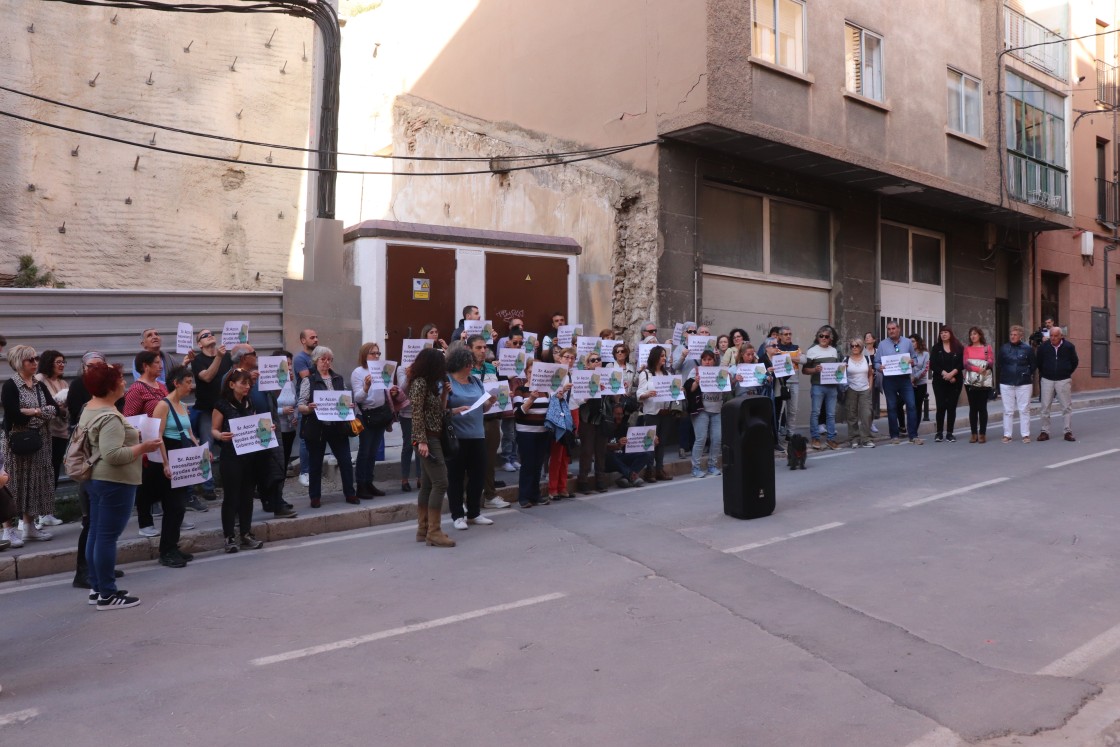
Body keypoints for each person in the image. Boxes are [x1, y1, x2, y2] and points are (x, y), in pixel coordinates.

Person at [81, 363, 163, 609]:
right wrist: (143, 447)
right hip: (114, 482)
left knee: (96, 534)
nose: (124, 382)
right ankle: (107, 594)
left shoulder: (91, 408)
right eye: (120, 378)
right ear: (111, 385)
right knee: (106, 537)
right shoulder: (109, 416)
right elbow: (113, 454)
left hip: (97, 480)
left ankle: (97, 589)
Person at [1, 345, 58, 546]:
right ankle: (8, 530)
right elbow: (15, 416)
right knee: (12, 484)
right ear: (19, 363)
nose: (35, 363)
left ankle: (29, 526)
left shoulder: (39, 385)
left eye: (36, 358)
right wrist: (40, 412)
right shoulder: (10, 386)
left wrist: (31, 411)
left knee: (36, 483)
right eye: (30, 360)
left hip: (40, 440)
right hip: (17, 442)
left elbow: (55, 409)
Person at [211, 369, 266, 552]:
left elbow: (255, 424)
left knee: (247, 496)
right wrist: (221, 436)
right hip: (231, 456)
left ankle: (246, 533)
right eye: (243, 383)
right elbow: (214, 429)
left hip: (249, 456)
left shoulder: (249, 402)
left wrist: (267, 428)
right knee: (231, 498)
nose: (247, 387)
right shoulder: (222, 405)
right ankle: (229, 537)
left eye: (249, 384)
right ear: (232, 384)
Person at [297, 346, 358, 508]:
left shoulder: (338, 378)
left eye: (329, 359)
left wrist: (349, 405)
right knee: (315, 463)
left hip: (337, 427)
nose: (326, 362)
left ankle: (350, 493)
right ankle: (315, 497)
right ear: (316, 361)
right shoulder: (308, 380)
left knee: (345, 461)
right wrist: (309, 408)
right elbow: (300, 406)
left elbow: (345, 399)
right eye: (323, 359)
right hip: (317, 428)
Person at [151, 366, 199, 568]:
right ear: (176, 383)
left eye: (191, 381)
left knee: (180, 506)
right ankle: (166, 551)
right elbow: (157, 435)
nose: (191, 386)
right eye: (187, 382)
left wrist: (200, 450)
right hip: (170, 457)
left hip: (184, 457)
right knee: (173, 506)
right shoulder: (163, 405)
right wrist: (165, 463)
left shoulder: (182, 405)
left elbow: (189, 432)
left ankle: (173, 546)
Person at [445, 347, 498, 531]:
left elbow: (482, 409)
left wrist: (490, 403)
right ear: (458, 364)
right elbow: (440, 408)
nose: (471, 367)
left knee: (478, 475)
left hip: (477, 434)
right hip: (457, 436)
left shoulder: (475, 381)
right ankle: (458, 514)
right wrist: (453, 410)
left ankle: (474, 512)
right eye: (468, 364)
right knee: (456, 477)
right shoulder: (448, 381)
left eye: (471, 363)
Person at [408, 347, 456, 547]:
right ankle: (434, 532)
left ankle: (424, 529)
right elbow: (417, 413)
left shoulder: (429, 385)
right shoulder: (419, 383)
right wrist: (422, 441)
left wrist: (444, 394)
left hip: (433, 436)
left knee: (428, 484)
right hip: (428, 439)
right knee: (441, 482)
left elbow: (438, 412)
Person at [124, 350, 170, 538]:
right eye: (157, 363)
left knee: (166, 480)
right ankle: (145, 522)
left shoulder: (161, 386)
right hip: (147, 443)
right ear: (145, 366)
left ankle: (173, 517)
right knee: (146, 483)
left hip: (165, 439)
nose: (161, 366)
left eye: (161, 362)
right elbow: (129, 418)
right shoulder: (137, 389)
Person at [189, 328, 231, 502]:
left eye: (211, 333)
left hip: (227, 409)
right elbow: (206, 377)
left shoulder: (227, 356)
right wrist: (219, 358)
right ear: (199, 344)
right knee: (206, 446)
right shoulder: (198, 360)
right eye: (204, 336)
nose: (209, 336)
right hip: (207, 410)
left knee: (233, 444)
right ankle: (208, 487)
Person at [468, 335, 509, 509]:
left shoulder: (491, 368)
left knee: (489, 461)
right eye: (478, 348)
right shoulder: (465, 370)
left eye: (485, 347)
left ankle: (490, 495)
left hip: (491, 420)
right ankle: (466, 500)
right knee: (470, 461)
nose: (483, 351)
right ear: (469, 349)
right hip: (472, 420)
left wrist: (505, 396)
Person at [351, 342, 391, 499]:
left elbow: (385, 390)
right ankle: (361, 485)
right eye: (373, 353)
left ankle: (369, 482)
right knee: (365, 451)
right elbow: (358, 397)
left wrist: (392, 389)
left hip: (380, 414)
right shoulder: (358, 372)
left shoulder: (381, 369)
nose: (376, 356)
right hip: (366, 415)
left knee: (374, 451)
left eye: (378, 353)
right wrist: (366, 387)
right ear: (364, 355)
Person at [34, 349, 68, 527]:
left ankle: (47, 512)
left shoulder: (63, 382)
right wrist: (57, 407)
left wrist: (63, 409)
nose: (62, 365)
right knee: (43, 472)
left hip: (61, 431)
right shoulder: (40, 380)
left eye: (63, 362)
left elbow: (65, 408)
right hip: (45, 432)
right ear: (49, 363)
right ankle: (35, 514)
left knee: (54, 471)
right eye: (58, 362)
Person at [514, 358, 553, 508]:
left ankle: (535, 495)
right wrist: (530, 399)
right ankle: (524, 496)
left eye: (537, 372)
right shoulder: (521, 390)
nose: (533, 375)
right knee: (527, 464)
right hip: (526, 432)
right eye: (531, 372)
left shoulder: (546, 391)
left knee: (537, 465)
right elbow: (518, 412)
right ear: (526, 373)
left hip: (542, 432)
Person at [876, 322, 923, 445]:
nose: (891, 331)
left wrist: (913, 362)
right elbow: (876, 362)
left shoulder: (907, 342)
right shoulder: (882, 344)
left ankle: (913, 435)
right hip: (889, 380)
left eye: (893, 328)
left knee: (911, 405)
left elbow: (915, 358)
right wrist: (879, 367)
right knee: (891, 407)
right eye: (889, 329)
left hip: (904, 380)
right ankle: (894, 435)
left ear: (899, 329)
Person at [636, 345, 676, 481]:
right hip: (652, 412)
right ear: (655, 357)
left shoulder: (668, 374)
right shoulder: (646, 373)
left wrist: (678, 389)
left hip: (665, 412)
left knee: (662, 442)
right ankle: (649, 470)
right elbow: (639, 393)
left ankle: (659, 469)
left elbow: (673, 391)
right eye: (662, 356)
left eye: (665, 356)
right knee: (651, 442)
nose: (664, 358)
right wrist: (647, 394)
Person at [687, 349, 728, 477]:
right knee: (701, 438)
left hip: (717, 409)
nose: (707, 362)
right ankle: (696, 467)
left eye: (710, 359)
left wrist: (732, 379)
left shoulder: (720, 371)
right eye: (704, 360)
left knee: (717, 439)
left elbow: (728, 387)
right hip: (702, 410)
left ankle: (712, 465)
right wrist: (696, 382)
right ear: (701, 361)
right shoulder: (695, 371)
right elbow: (689, 389)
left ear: (714, 360)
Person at [575, 349, 609, 494]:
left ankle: (600, 480)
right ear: (587, 365)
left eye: (598, 359)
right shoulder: (582, 378)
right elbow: (578, 400)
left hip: (602, 419)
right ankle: (583, 480)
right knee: (587, 451)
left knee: (601, 451)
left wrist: (618, 389)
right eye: (593, 360)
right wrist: (592, 392)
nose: (597, 362)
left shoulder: (607, 377)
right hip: (587, 419)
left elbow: (613, 400)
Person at [1036, 326, 1079, 442]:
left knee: (1066, 406)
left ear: (1061, 336)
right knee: (1045, 406)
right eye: (1051, 336)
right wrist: (1044, 371)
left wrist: (1066, 371)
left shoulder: (1069, 347)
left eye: (1055, 336)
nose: (1053, 338)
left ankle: (1067, 431)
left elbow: (1075, 361)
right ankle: (1044, 431)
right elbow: (1038, 362)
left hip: (1063, 379)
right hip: (1047, 379)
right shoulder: (1044, 347)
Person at [802, 327, 842, 450]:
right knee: (815, 413)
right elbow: (804, 370)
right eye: (821, 336)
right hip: (818, 386)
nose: (824, 338)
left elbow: (839, 369)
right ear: (817, 337)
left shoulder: (834, 351)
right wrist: (814, 370)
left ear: (830, 339)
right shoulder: (812, 351)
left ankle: (830, 439)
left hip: (832, 387)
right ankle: (815, 438)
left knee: (831, 414)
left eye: (826, 336)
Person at [997, 325, 1036, 444]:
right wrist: (1005, 374)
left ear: (1021, 336)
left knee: (1024, 409)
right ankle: (1007, 435)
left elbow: (1033, 365)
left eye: (1015, 335)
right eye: (1011, 334)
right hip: (1006, 382)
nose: (1012, 336)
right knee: (1008, 410)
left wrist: (1026, 373)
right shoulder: (1004, 348)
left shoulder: (1027, 349)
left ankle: (1025, 434)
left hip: (1024, 383)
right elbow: (999, 364)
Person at [547, 347, 577, 501]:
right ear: (560, 358)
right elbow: (551, 394)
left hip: (572, 413)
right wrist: (562, 392)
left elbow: (577, 399)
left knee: (566, 453)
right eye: (567, 357)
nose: (569, 360)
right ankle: (553, 488)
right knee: (557, 453)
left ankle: (562, 486)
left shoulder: (573, 374)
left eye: (572, 358)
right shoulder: (556, 373)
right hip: (559, 413)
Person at [604, 402, 653, 487]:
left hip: (623, 457)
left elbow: (637, 442)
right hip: (609, 461)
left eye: (621, 414)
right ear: (611, 414)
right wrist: (617, 445)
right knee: (609, 456)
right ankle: (631, 475)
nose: (619, 417)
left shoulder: (624, 427)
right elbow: (602, 446)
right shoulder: (605, 427)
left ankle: (625, 477)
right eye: (617, 414)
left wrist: (651, 441)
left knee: (647, 454)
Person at [929, 327, 964, 443]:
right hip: (939, 381)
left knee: (951, 407)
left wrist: (953, 374)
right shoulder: (936, 348)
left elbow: (961, 364)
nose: (943, 334)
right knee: (941, 406)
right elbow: (933, 364)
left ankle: (950, 433)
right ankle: (939, 433)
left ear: (950, 334)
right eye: (941, 333)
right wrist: (945, 374)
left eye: (946, 332)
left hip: (955, 381)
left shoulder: (958, 348)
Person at [498, 327, 525, 475]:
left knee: (517, 432)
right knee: (508, 433)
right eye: (515, 343)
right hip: (508, 400)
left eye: (520, 344)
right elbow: (498, 380)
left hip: (520, 399)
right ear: (508, 343)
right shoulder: (502, 360)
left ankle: (514, 457)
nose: (518, 346)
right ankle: (506, 459)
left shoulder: (524, 358)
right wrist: (507, 376)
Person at [962, 326, 994, 443]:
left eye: (975, 334)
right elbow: (965, 363)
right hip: (970, 381)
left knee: (982, 407)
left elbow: (991, 361)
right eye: (971, 334)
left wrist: (984, 367)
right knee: (973, 408)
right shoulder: (967, 348)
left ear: (980, 335)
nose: (973, 336)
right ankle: (973, 433)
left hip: (984, 381)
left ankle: (982, 433)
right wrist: (977, 369)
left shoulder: (987, 348)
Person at [393, 360, 421, 492]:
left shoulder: (423, 366)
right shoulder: (401, 368)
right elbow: (401, 389)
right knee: (408, 445)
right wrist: (409, 375)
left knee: (421, 445)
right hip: (406, 413)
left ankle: (420, 478)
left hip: (421, 412)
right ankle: (404, 479)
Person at [841, 339, 874, 448]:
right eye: (852, 346)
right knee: (851, 414)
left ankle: (866, 438)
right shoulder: (846, 359)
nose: (854, 347)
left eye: (857, 345)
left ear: (861, 347)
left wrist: (870, 387)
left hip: (865, 389)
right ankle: (854, 438)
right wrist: (842, 369)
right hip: (851, 389)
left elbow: (870, 374)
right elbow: (840, 375)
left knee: (866, 414)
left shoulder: (866, 358)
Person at [271, 349, 299, 477]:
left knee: (286, 457)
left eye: (290, 364)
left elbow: (296, 402)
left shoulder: (290, 383)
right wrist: (282, 410)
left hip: (289, 429)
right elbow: (266, 408)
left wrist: (295, 415)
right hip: (276, 429)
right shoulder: (269, 383)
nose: (289, 367)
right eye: (286, 364)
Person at [775, 327, 802, 440]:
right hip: (781, 382)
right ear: (780, 336)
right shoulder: (776, 348)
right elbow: (774, 359)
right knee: (779, 410)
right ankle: (775, 435)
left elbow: (803, 360)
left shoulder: (796, 347)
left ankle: (790, 434)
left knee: (793, 410)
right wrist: (794, 357)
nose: (788, 336)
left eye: (790, 334)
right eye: (785, 334)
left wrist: (785, 357)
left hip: (794, 382)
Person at [908, 334, 930, 424]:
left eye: (913, 341)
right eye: (909, 342)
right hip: (908, 384)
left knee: (917, 406)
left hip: (920, 384)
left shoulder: (925, 354)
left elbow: (925, 368)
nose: (911, 343)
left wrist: (915, 378)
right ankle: (904, 426)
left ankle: (914, 429)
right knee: (908, 406)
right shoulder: (907, 354)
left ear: (918, 342)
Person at [864, 331, 881, 434]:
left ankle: (871, 422)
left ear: (874, 340)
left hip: (874, 380)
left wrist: (876, 369)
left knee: (872, 402)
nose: (867, 338)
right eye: (866, 337)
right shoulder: (862, 351)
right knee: (864, 402)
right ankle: (865, 423)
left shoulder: (877, 351)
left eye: (869, 337)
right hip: (863, 379)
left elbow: (881, 363)